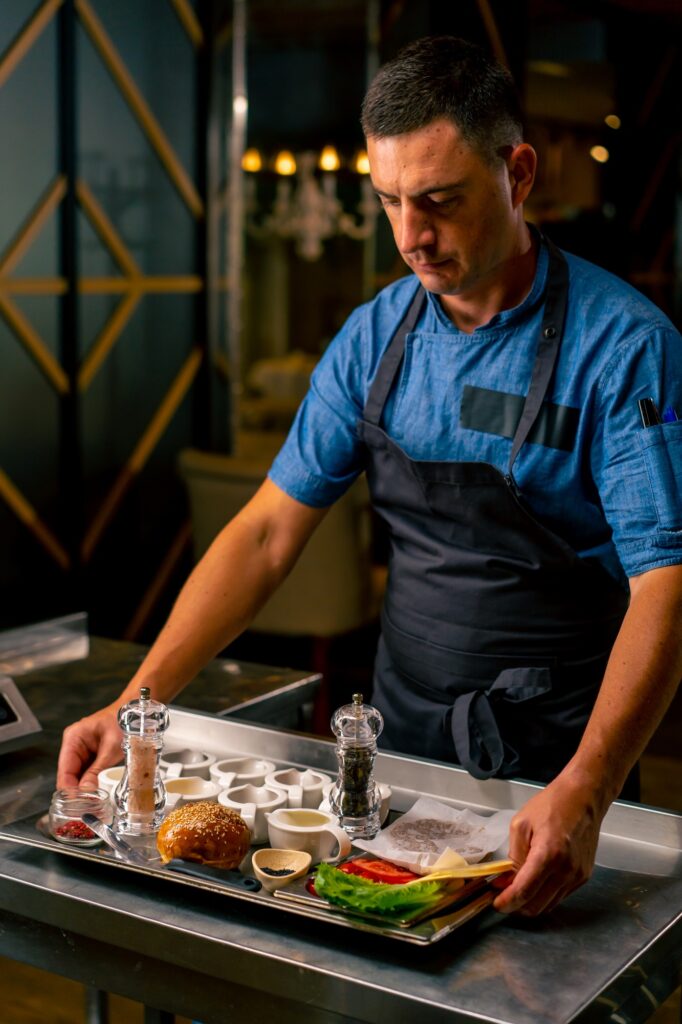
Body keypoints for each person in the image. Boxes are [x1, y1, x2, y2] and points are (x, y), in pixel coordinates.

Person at [57, 36, 682, 917]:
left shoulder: (626, 349)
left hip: (559, 768)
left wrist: (595, 779)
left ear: (520, 172)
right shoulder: (375, 336)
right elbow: (268, 533)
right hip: (391, 753)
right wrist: (136, 711)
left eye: (439, 201)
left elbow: (669, 582)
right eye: (388, 200)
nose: (409, 237)